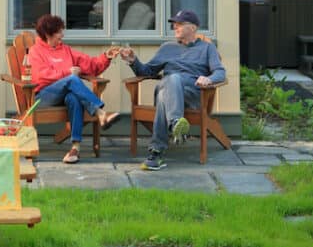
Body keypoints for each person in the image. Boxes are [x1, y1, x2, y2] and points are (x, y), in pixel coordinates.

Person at [120, 9, 225, 171]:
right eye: (174, 24)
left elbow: (220, 72)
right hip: (169, 86)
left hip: (192, 94)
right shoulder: (167, 48)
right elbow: (147, 72)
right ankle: (175, 123)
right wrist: (133, 61)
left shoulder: (207, 48)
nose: (175, 27)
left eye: (180, 24)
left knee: (164, 94)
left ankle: (156, 153)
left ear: (193, 28)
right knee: (172, 79)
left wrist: (209, 79)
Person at [28, 14, 121, 165]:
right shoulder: (35, 51)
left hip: (63, 98)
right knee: (72, 79)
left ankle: (75, 148)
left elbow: (91, 65)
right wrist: (67, 73)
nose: (62, 35)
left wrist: (106, 57)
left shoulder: (66, 50)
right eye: (59, 31)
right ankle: (101, 113)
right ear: (47, 34)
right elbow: (39, 77)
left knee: (74, 97)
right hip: (42, 97)